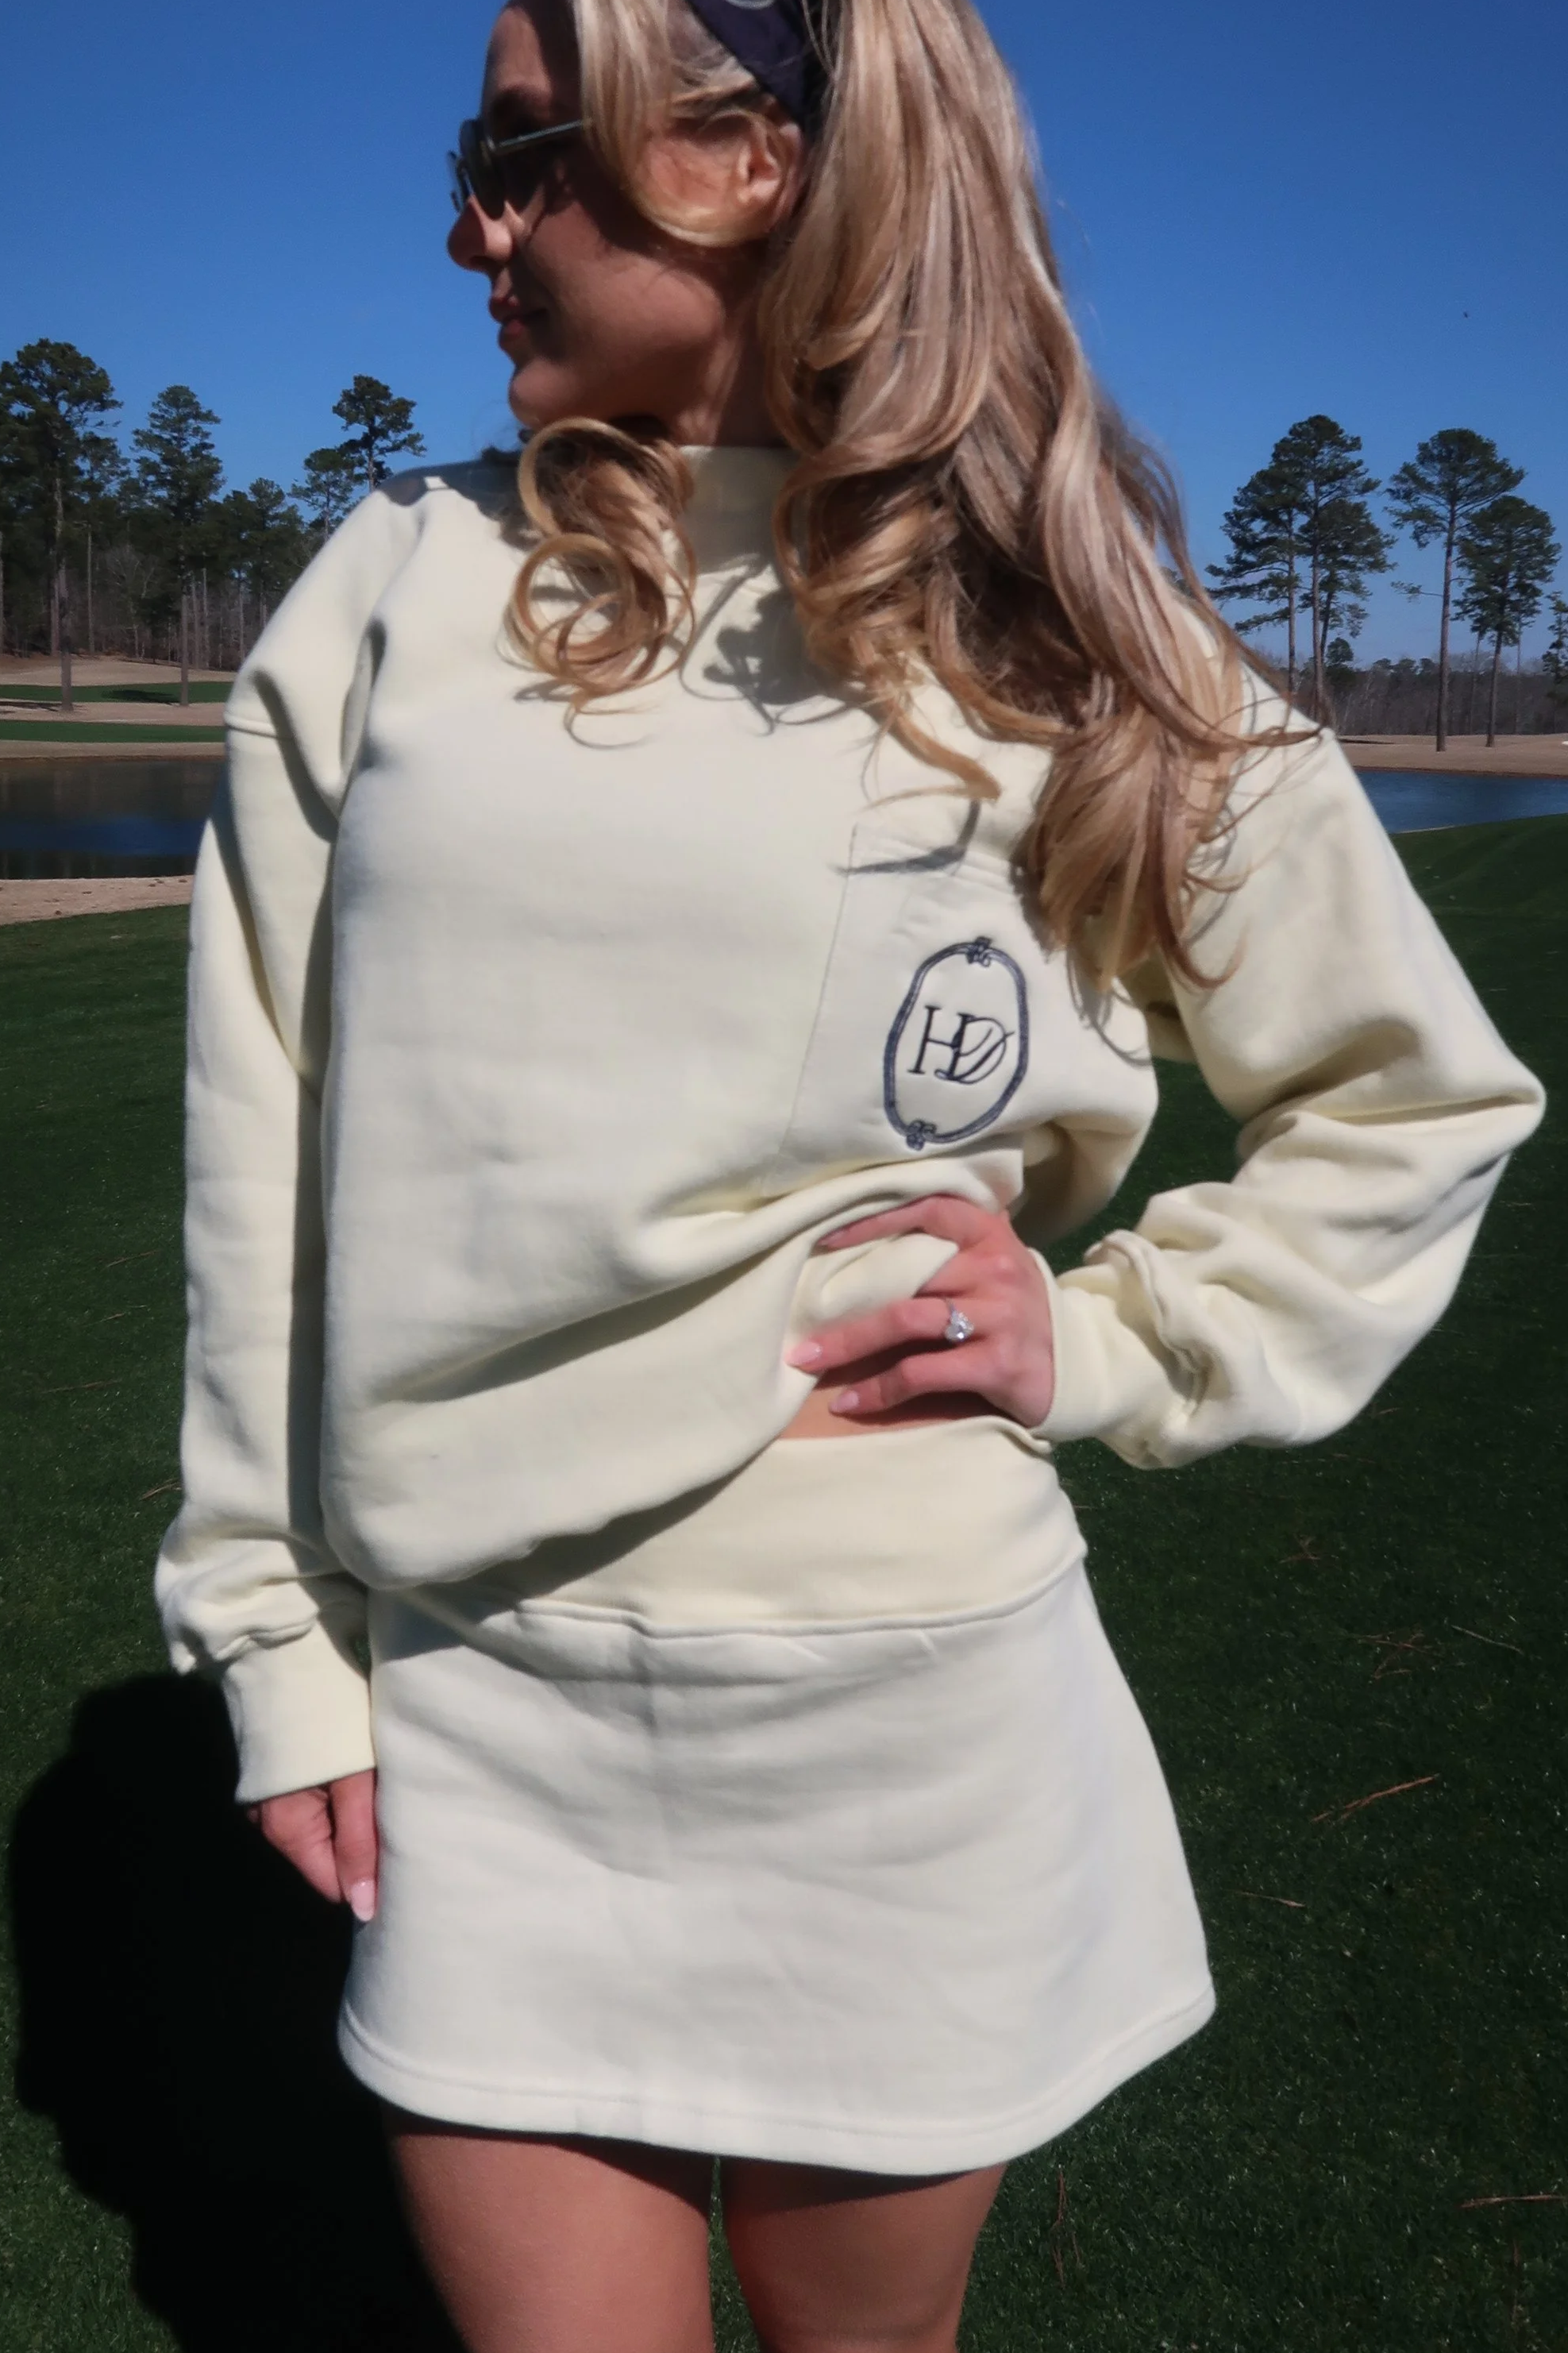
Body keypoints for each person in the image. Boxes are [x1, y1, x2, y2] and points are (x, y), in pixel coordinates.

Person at [154, 2, 1543, 2347]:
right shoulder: (393, 586)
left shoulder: (1061, 628)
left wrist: (1112, 1336)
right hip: (478, 1691)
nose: (470, 228)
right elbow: (256, 1148)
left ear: (757, 154)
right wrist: (278, 1645)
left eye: (524, 152)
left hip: (899, 1706)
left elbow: (1413, 1096)